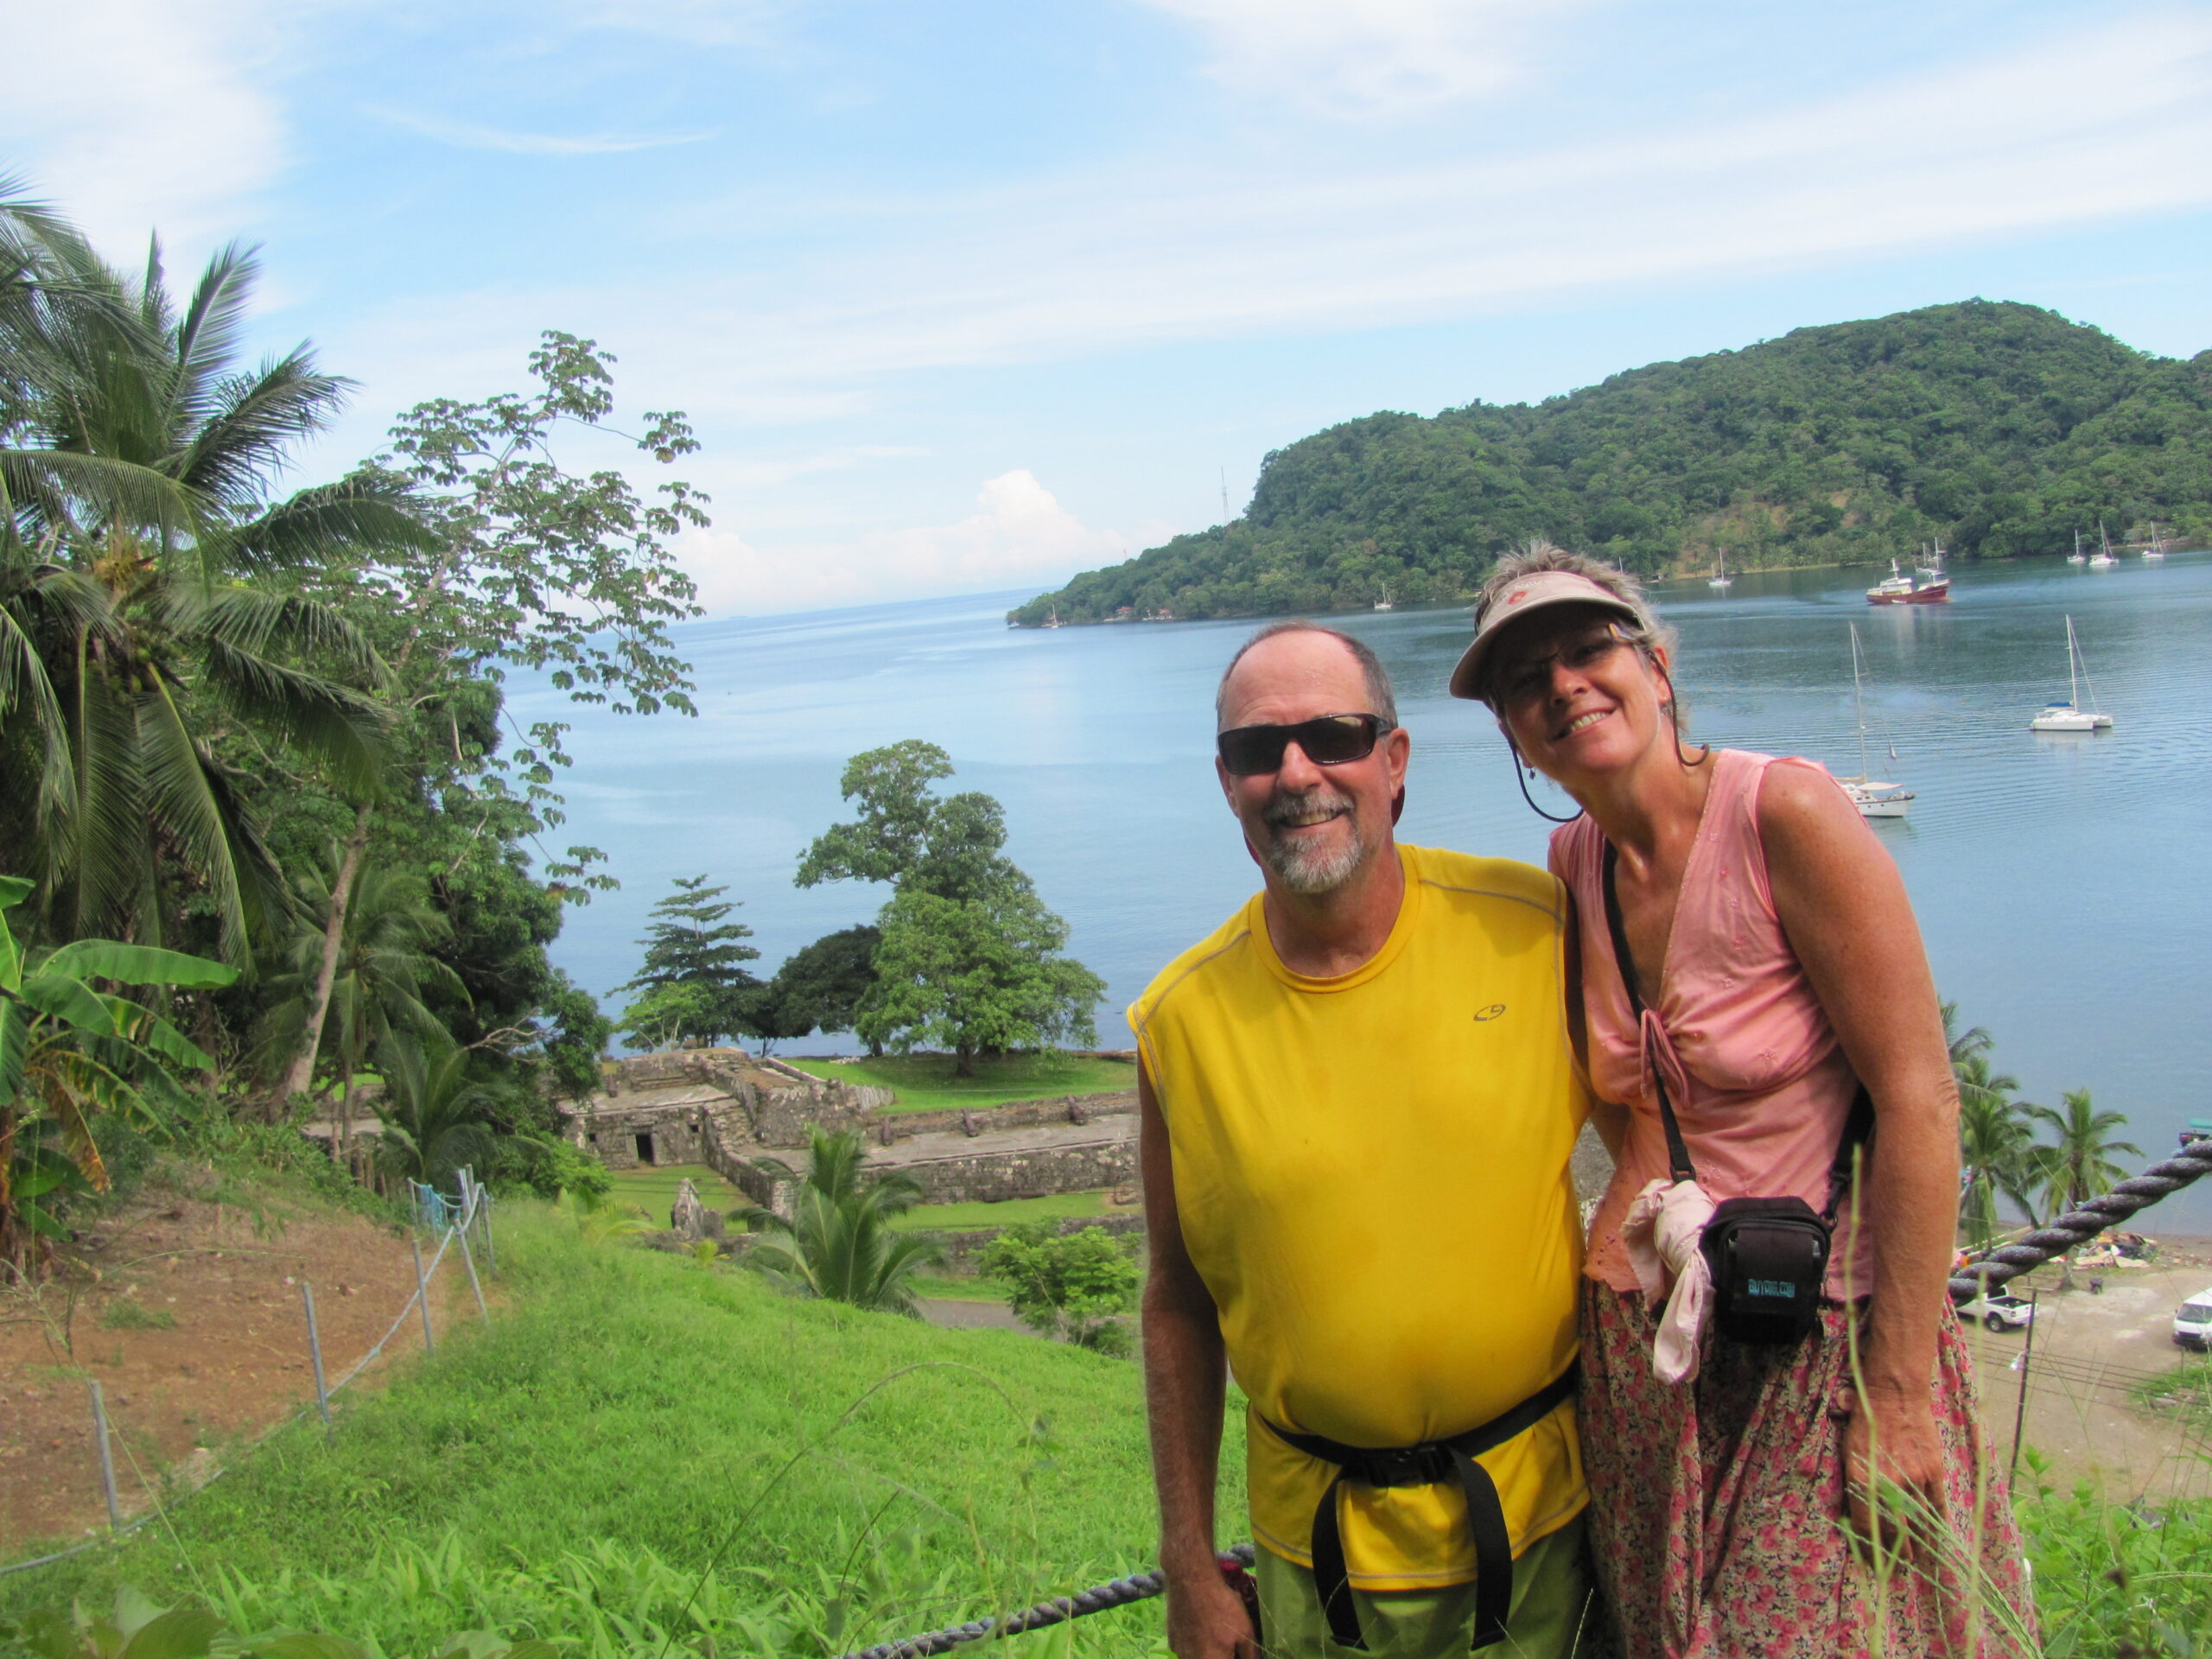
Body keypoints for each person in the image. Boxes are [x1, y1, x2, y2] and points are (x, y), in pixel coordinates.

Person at [1447, 545, 2031, 1657]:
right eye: (1526, 680)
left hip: (1817, 1340)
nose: (1563, 685)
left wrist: (1899, 1393)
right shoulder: (1572, 863)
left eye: (1588, 649)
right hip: (1646, 1351)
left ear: (1656, 667)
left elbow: (1921, 1099)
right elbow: (1625, 1103)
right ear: (1512, 730)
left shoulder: (1783, 814)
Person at [1135, 620, 1604, 1659]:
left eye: (1333, 736)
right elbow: (1176, 1303)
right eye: (1258, 750)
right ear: (1227, 783)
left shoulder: (1531, 928)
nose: (1296, 774)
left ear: (1393, 761)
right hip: (1318, 1563)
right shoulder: (1181, 1021)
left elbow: (1661, 1132)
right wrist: (1187, 1565)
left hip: (1547, 1531)